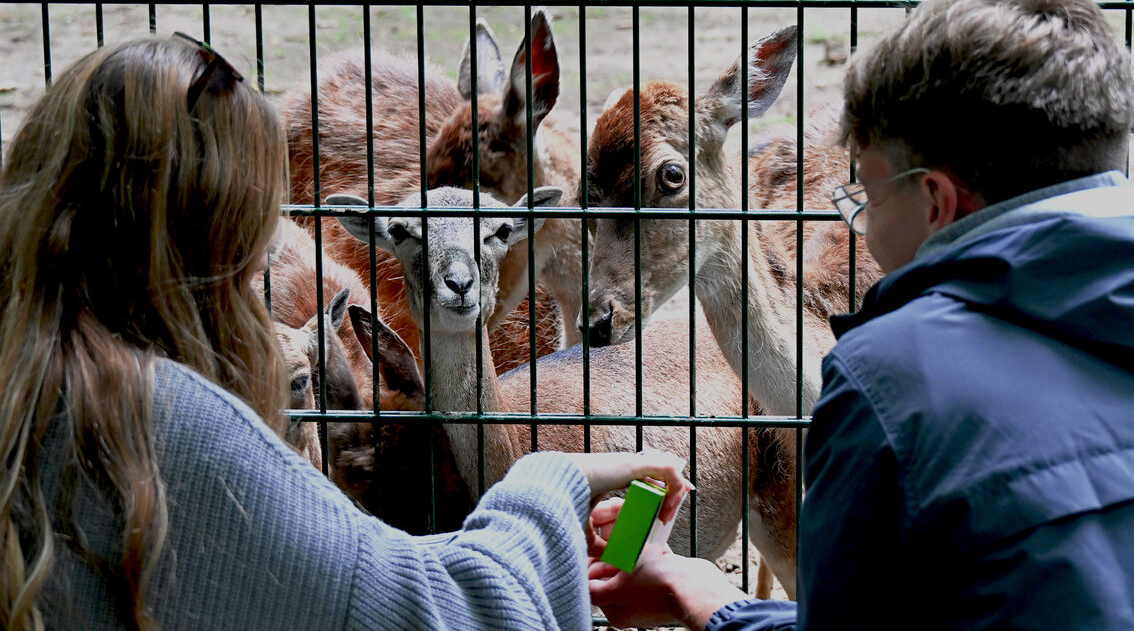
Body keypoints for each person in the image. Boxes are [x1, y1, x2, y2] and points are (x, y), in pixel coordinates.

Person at [0, 34, 694, 631]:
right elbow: (449, 611)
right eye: (257, 226)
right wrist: (554, 480)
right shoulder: (156, 428)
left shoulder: (32, 380)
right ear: (212, 246)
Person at [587, 0, 1134, 629]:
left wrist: (690, 592)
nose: (863, 226)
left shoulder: (887, 383)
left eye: (866, 201)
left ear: (937, 202)